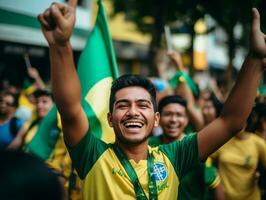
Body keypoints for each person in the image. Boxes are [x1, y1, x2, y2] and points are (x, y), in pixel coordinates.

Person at [38, 0, 265, 199]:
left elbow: (230, 122)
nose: (133, 112)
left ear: (155, 119)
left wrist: (255, 60)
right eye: (123, 105)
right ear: (110, 118)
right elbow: (69, 109)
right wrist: (60, 46)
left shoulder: (175, 157)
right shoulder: (91, 153)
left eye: (142, 105)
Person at [149, 95, 224, 200]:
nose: (173, 120)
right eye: (168, 114)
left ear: (187, 119)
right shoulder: (149, 144)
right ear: (158, 118)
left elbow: (215, 184)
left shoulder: (196, 145)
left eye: (179, 115)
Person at [211, 126, 266, 200]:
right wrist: (215, 184)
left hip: (251, 197)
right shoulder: (222, 140)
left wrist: (261, 177)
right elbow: (207, 161)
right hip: (225, 197)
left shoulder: (258, 142)